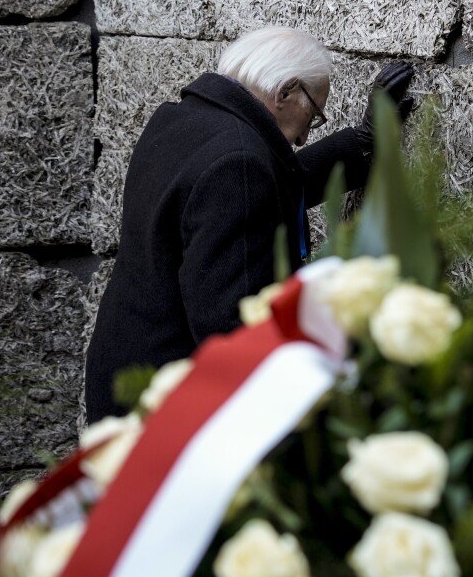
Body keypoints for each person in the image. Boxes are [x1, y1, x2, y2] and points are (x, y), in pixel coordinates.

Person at [85, 27, 414, 420]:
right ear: (285, 92)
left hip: (123, 370)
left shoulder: (180, 123)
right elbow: (231, 326)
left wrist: (364, 139)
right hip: (168, 405)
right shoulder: (238, 164)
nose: (306, 135)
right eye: (313, 113)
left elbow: (272, 184)